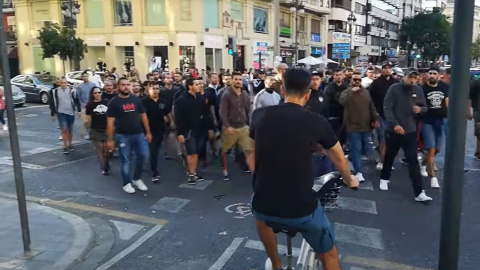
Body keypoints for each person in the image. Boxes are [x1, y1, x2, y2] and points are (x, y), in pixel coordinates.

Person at [250, 68, 359, 270]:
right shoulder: (316, 121)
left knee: (259, 212)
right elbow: (339, 157)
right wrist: (350, 179)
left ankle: (276, 264)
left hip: (264, 202)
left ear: (282, 90)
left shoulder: (259, 116)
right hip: (300, 208)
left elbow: (252, 152)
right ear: (307, 94)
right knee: (330, 255)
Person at [380, 70, 433, 202]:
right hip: (394, 130)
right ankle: (384, 178)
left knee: (413, 160)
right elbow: (387, 107)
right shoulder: (394, 88)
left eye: (415, 78)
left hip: (410, 130)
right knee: (390, 156)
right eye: (410, 77)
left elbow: (425, 107)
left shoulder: (418, 90)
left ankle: (419, 192)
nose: (413, 80)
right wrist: (394, 124)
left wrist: (420, 110)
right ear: (404, 77)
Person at [106, 77, 152, 194]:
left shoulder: (136, 100)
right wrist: (110, 140)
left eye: (128, 85)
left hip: (139, 134)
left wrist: (148, 132)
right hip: (123, 136)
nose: (126, 87)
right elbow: (110, 123)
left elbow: (144, 116)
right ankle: (126, 183)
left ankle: (137, 178)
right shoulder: (114, 103)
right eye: (123, 85)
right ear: (118, 87)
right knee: (126, 161)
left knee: (144, 156)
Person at [339, 71, 378, 182]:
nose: (356, 82)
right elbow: (342, 101)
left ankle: (350, 157)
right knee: (356, 148)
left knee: (366, 149)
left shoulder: (365, 92)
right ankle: (359, 172)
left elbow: (371, 106)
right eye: (354, 79)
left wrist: (375, 118)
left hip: (366, 126)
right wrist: (351, 92)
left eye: (359, 80)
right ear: (351, 80)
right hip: (353, 126)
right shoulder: (347, 92)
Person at [220, 72, 253, 181]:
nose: (238, 81)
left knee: (248, 150)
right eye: (236, 79)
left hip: (243, 126)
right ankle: (225, 170)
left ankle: (253, 171)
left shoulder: (245, 94)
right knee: (225, 150)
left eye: (240, 79)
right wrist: (227, 126)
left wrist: (249, 124)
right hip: (231, 127)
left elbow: (248, 110)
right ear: (232, 81)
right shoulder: (226, 95)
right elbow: (223, 112)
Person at [419, 67, 448, 189]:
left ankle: (423, 163)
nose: (432, 75)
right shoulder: (422, 88)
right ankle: (433, 177)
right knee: (431, 148)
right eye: (430, 73)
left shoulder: (444, 87)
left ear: (439, 75)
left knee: (437, 150)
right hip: (427, 121)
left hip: (440, 120)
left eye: (434, 73)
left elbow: (447, 102)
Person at [174, 78, 206, 184]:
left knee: (196, 152)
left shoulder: (200, 98)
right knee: (191, 152)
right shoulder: (181, 100)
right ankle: (191, 174)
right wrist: (180, 133)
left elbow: (204, 113)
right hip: (188, 131)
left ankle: (194, 172)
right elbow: (178, 118)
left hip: (199, 129)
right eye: (196, 84)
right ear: (190, 86)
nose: (199, 86)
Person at [369, 63, 398, 170]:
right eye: (385, 68)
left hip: (393, 115)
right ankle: (383, 161)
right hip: (380, 114)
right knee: (382, 138)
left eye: (389, 68)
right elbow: (370, 99)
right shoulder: (376, 83)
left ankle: (387, 160)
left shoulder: (395, 83)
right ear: (382, 70)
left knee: (392, 139)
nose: (387, 70)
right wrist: (374, 114)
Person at [142, 82, 170, 182]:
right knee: (152, 151)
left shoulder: (163, 101)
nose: (155, 90)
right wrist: (146, 131)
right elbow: (142, 117)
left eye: (157, 88)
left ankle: (151, 166)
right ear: (148, 89)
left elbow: (167, 113)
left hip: (160, 129)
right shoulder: (144, 102)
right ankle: (153, 172)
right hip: (148, 130)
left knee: (156, 150)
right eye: (153, 88)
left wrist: (169, 121)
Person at [49, 77, 81, 154]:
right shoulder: (55, 92)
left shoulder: (72, 91)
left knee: (70, 129)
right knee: (64, 129)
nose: (63, 84)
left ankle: (70, 144)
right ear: (59, 83)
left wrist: (79, 110)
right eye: (62, 83)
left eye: (65, 83)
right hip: (61, 113)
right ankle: (65, 146)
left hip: (70, 112)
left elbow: (77, 100)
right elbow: (52, 103)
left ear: (67, 83)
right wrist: (52, 114)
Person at [84, 86, 110, 175]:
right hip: (96, 129)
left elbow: (111, 116)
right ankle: (104, 167)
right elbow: (87, 119)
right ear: (92, 94)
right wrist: (86, 128)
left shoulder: (106, 102)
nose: (98, 94)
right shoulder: (90, 105)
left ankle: (106, 163)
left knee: (107, 149)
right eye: (95, 93)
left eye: (99, 92)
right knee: (100, 148)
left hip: (106, 129)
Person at [326, 69, 348, 145]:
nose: (339, 77)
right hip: (333, 114)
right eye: (337, 75)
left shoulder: (347, 86)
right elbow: (327, 101)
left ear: (343, 76)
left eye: (340, 75)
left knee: (344, 135)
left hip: (344, 114)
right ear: (333, 76)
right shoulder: (329, 87)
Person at [76, 72, 96, 140]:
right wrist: (80, 107)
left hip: (93, 105)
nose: (85, 77)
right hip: (84, 106)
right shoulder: (80, 87)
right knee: (86, 121)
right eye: (84, 76)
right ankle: (89, 133)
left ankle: (93, 133)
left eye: (86, 76)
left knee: (93, 121)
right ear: (82, 77)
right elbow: (78, 97)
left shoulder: (93, 85)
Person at [469, 79, 480, 159]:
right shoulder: (476, 82)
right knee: (479, 131)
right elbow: (469, 96)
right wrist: (468, 111)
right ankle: (478, 150)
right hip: (478, 110)